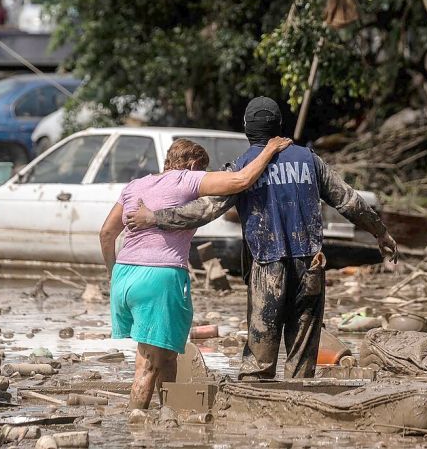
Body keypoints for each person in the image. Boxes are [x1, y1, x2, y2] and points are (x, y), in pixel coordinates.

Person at [127, 97, 398, 381]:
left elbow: (205, 210)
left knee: (259, 359)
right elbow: (349, 201)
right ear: (279, 126)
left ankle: (256, 412)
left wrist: (155, 217)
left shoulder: (244, 167)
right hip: (311, 265)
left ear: (247, 129)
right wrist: (380, 233)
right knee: (302, 354)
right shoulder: (309, 160)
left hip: (267, 267)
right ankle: (301, 408)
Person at [99, 136, 292, 409]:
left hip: (125, 277)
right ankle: (135, 424)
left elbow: (106, 233)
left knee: (166, 355)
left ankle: (170, 412)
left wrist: (113, 274)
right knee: (148, 363)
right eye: (202, 168)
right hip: (160, 277)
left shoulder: (135, 185)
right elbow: (240, 181)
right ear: (192, 164)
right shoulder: (187, 180)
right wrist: (270, 149)